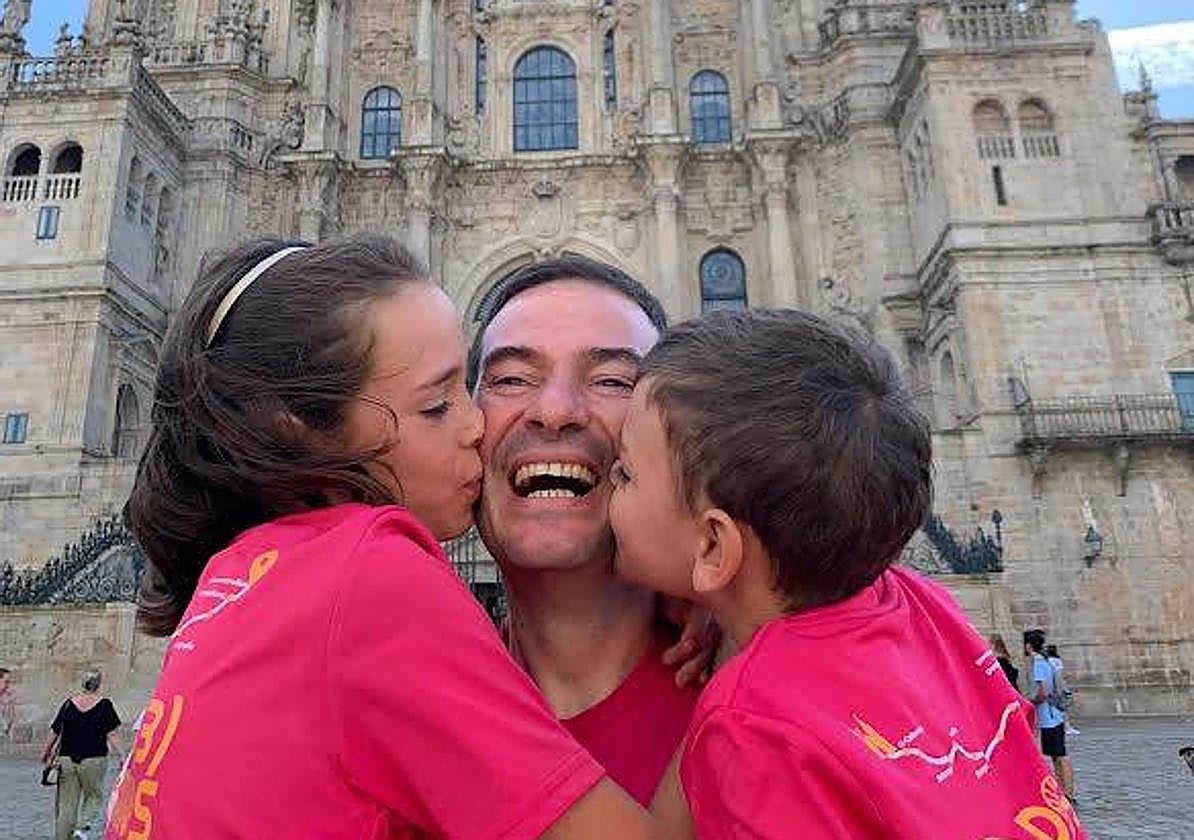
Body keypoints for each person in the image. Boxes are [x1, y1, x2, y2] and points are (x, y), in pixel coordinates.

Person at [105, 236, 664, 839]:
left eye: (613, 380)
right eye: (439, 404)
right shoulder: (370, 579)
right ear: (304, 433)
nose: (476, 425)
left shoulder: (242, 579)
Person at [608, 309, 1086, 838]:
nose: (610, 479)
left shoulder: (754, 727)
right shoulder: (922, 602)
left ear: (715, 545)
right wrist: (723, 603)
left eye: (625, 473)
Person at [468, 257, 700, 805]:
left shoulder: (793, 692)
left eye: (613, 381)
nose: (555, 411)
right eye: (511, 379)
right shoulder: (393, 731)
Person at [42, 670, 122, 840]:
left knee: (66, 804)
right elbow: (112, 734)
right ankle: (82, 828)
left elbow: (55, 731)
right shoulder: (105, 705)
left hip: (67, 759)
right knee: (94, 795)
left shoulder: (68, 704)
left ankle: (62, 837)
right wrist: (123, 756)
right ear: (98, 685)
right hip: (94, 759)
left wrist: (46, 752)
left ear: (82, 683)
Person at [1027, 629, 1078, 797]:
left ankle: (1068, 792)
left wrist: (1031, 702)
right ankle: (1063, 790)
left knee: (1060, 755)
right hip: (1054, 714)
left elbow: (1043, 691)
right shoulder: (1048, 661)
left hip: (1049, 716)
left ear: (1029, 646)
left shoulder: (1039, 663)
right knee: (1056, 756)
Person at [1046, 642, 1080, 735]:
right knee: (1062, 708)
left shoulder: (1047, 661)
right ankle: (1066, 727)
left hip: (1049, 687)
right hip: (1056, 688)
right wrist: (1063, 689)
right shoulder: (1056, 661)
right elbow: (1058, 676)